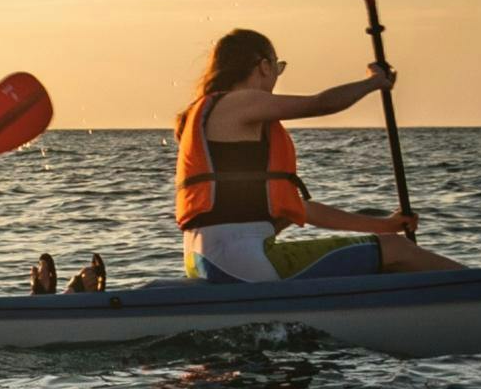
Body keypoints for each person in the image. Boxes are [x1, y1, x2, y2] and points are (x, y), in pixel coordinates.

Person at [176, 28, 457, 281]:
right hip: (241, 256)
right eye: (278, 67)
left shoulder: (207, 116)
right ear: (264, 66)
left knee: (388, 246)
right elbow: (321, 103)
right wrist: (374, 82)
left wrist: (385, 225)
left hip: (203, 257)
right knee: (398, 250)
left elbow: (303, 209)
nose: (276, 76)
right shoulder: (240, 101)